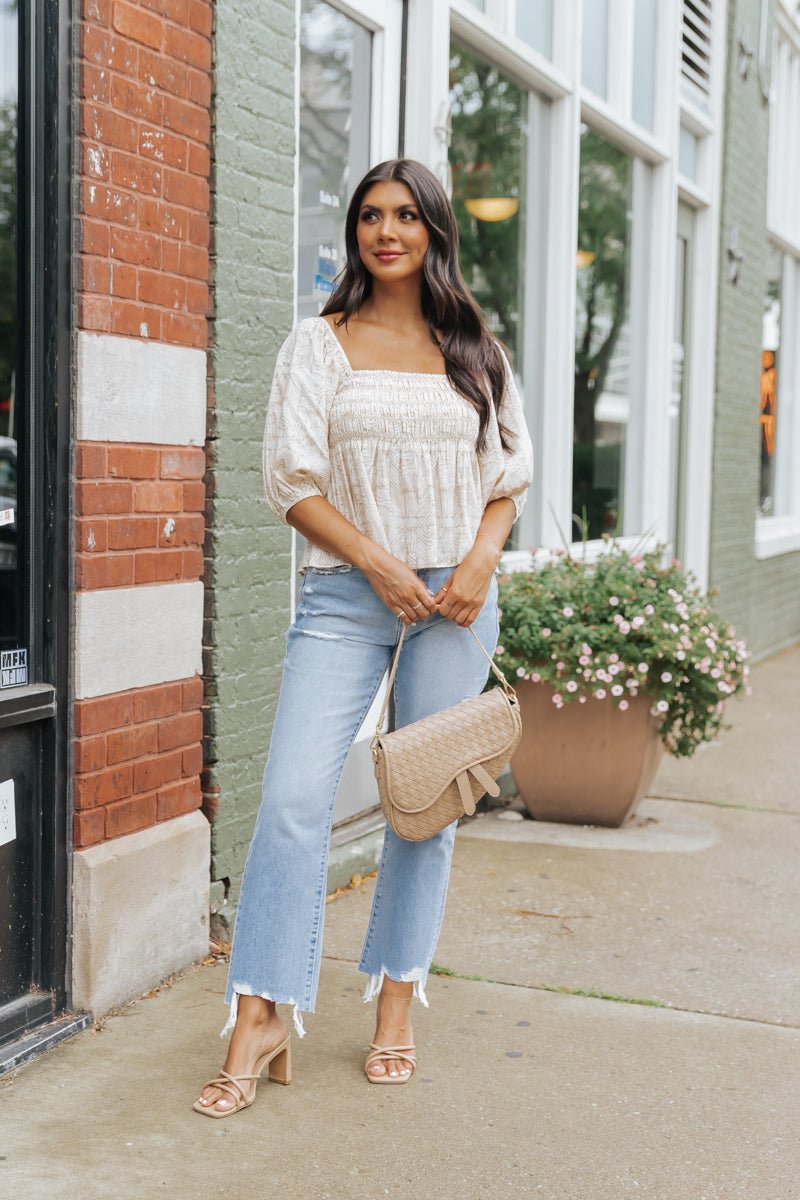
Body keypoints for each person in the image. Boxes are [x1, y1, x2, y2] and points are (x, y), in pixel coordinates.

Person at [194, 157, 533, 1116]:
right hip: (349, 594)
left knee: (423, 810)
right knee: (296, 801)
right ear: (355, 234)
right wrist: (382, 565)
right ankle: (260, 1016)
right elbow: (290, 483)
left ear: (433, 231)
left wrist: (474, 567)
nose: (387, 232)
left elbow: (509, 478)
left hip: (458, 601)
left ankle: (394, 1003)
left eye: (406, 216)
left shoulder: (475, 349)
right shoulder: (321, 344)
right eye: (370, 217)